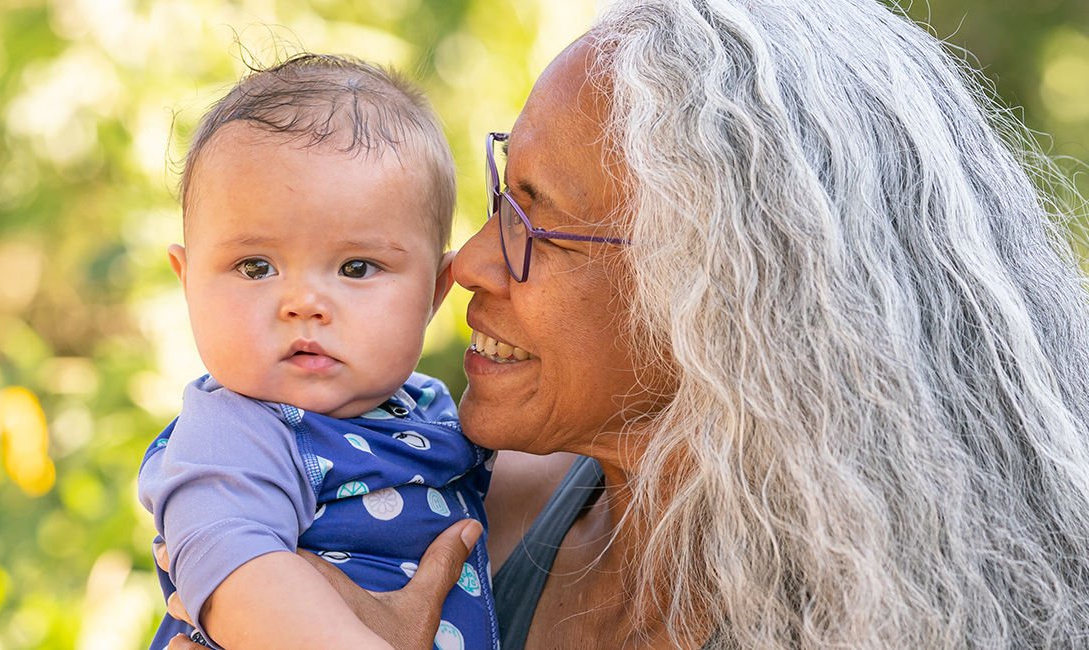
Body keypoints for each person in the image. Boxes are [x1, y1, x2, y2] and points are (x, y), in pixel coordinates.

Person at [163, 0, 1089, 647]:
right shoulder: (496, 501)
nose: (469, 263)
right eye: (497, 195)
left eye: (536, 218)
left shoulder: (906, 615)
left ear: (719, 292)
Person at [138, 53, 498, 650]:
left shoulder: (431, 411)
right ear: (187, 282)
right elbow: (238, 570)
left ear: (433, 293)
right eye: (256, 266)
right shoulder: (236, 433)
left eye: (356, 267)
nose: (303, 303)